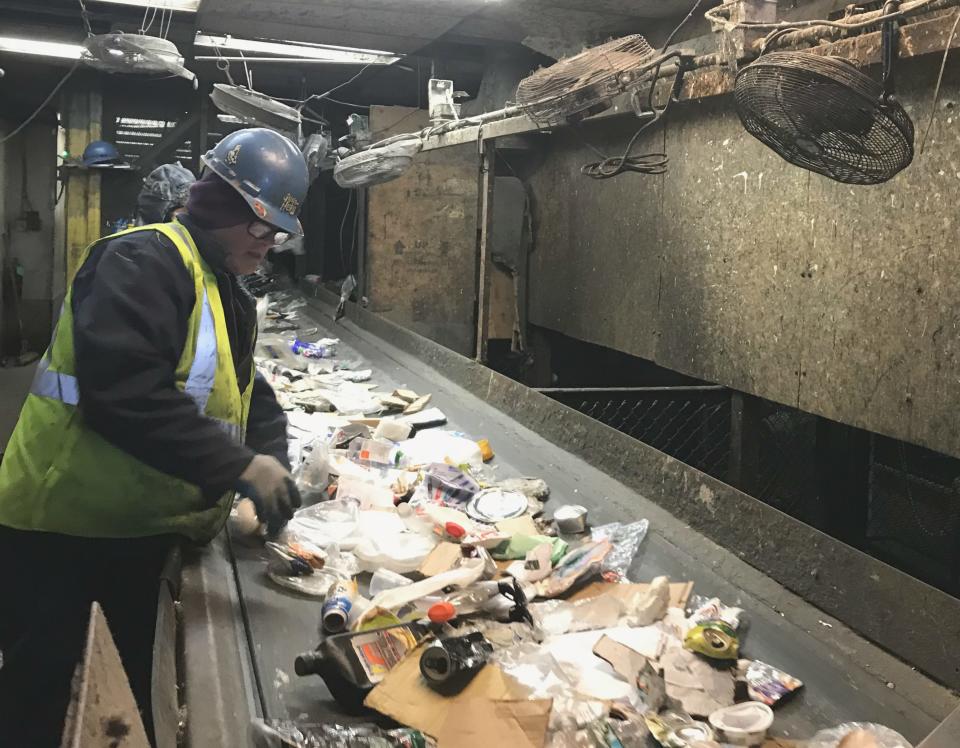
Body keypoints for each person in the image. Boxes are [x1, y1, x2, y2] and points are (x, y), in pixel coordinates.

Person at [0, 127, 309, 746]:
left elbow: (252, 392)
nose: (269, 245)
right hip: (65, 529)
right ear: (227, 208)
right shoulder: (142, 260)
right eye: (262, 228)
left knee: (122, 701)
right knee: (46, 695)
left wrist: (272, 466)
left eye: (277, 233)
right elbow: (123, 395)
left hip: (136, 528)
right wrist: (240, 468)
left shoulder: (223, 285)